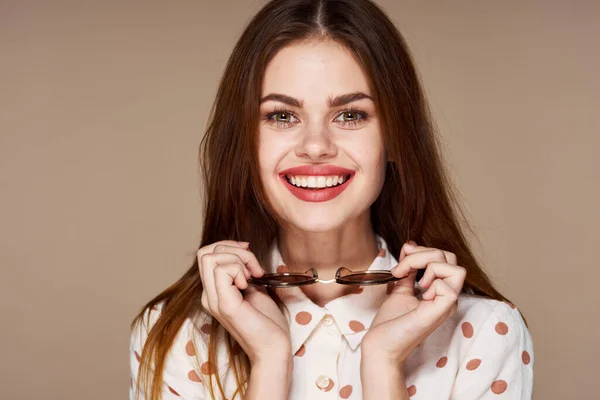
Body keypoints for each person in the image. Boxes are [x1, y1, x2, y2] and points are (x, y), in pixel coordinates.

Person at [129, 0, 534, 399]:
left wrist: (383, 363)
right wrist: (270, 362)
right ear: (245, 143)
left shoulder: (485, 331)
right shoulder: (172, 333)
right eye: (282, 116)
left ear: (394, 137)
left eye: (351, 115)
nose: (316, 146)